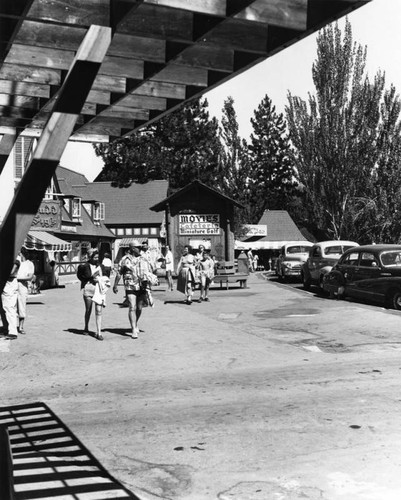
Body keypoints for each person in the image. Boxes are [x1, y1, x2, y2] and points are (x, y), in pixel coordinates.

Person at [113, 243, 153, 338]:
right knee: (132, 306)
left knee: (139, 307)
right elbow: (119, 273)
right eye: (138, 248)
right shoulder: (124, 259)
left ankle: (135, 323)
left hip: (142, 285)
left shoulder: (144, 258)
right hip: (130, 286)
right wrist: (115, 285)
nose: (140, 249)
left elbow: (151, 270)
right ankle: (133, 329)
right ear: (132, 248)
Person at [80, 249, 104, 340]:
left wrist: (100, 279)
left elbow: (105, 277)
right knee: (88, 310)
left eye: (98, 257)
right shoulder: (85, 266)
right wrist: (89, 278)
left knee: (98, 311)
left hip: (98, 289)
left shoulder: (100, 266)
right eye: (95, 257)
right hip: (88, 288)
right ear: (90, 257)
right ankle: (86, 327)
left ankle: (99, 332)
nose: (96, 259)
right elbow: (80, 276)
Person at [16, 247, 35, 335]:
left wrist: (17, 278)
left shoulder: (29, 264)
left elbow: (30, 276)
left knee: (21, 305)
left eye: (19, 253)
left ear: (22, 253)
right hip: (13, 285)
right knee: (11, 306)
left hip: (23, 286)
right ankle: (10, 326)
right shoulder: (16, 262)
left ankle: (21, 326)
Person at [0, 259, 21, 340]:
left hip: (9, 282)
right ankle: (6, 329)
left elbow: (11, 272)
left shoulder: (15, 259)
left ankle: (12, 331)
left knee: (9, 307)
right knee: (3, 308)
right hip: (5, 283)